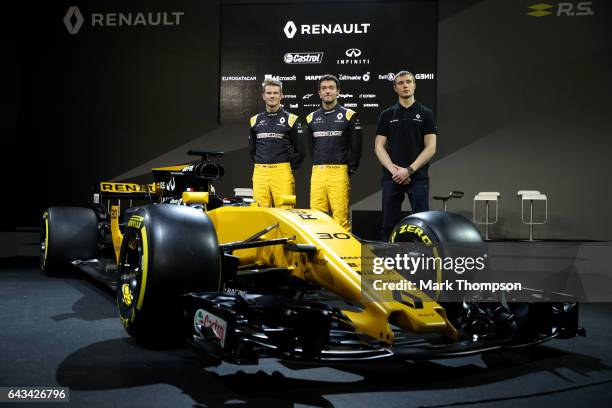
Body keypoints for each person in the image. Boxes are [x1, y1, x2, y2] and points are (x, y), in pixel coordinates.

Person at [375, 70, 437, 241]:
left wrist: (408, 170)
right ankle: (387, 261)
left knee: (422, 224)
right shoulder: (386, 114)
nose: (405, 85)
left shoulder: (426, 114)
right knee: (388, 224)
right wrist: (395, 171)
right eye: (401, 83)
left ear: (414, 85)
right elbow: (379, 147)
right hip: (391, 177)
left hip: (418, 177)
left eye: (409, 82)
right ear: (395, 88)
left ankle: (423, 260)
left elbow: (431, 147)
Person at [305, 74, 362, 230]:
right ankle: (318, 254)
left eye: (331, 88)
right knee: (316, 218)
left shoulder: (349, 115)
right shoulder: (311, 118)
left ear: (338, 92)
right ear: (319, 93)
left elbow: (356, 146)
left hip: (339, 171)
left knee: (340, 218)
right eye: (324, 88)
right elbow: (312, 147)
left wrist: (349, 168)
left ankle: (342, 254)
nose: (327, 91)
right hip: (317, 171)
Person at [249, 78, 304, 207]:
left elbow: (301, 151)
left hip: (282, 171)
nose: (272, 96)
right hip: (260, 172)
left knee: (286, 212)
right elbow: (252, 149)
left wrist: (286, 166)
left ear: (281, 96)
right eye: (268, 93)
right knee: (260, 213)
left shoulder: (291, 119)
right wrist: (261, 163)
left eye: (275, 93)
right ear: (263, 96)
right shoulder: (254, 120)